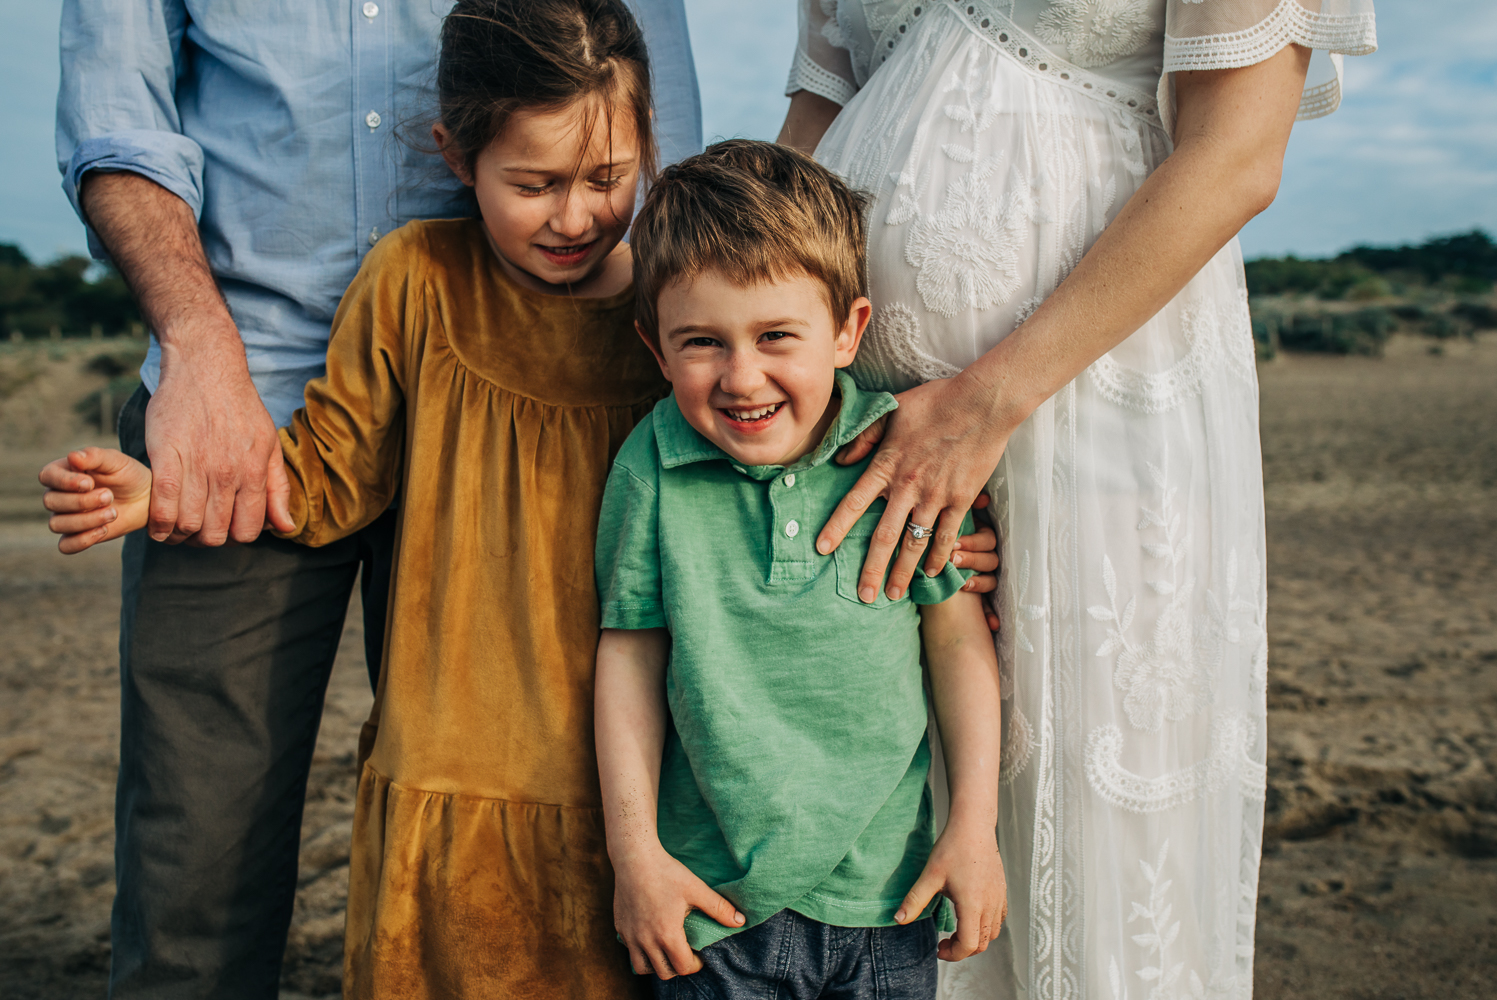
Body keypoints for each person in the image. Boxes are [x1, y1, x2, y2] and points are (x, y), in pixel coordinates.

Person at [53, 0, 700, 995]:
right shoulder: (394, 285)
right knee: (196, 859)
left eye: (595, 184)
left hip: (513, 411)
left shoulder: (596, 227)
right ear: (452, 152)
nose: (575, 208)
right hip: (243, 402)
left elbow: (661, 141)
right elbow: (117, 116)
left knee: (563, 792)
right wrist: (199, 352)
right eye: (538, 184)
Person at [777, 1, 1378, 997]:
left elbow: (1235, 152)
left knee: (1083, 838)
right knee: (892, 835)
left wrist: (982, 405)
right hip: (863, 434)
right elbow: (814, 122)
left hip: (1095, 406)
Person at [593, 139, 1007, 998]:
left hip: (888, 906)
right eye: (702, 342)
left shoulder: (901, 458)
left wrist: (974, 826)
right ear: (656, 347)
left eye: (776, 335)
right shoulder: (650, 471)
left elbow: (957, 643)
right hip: (714, 912)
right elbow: (630, 656)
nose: (743, 377)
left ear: (849, 330)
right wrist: (635, 855)